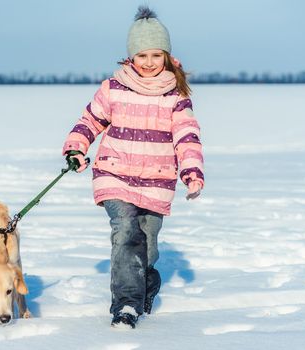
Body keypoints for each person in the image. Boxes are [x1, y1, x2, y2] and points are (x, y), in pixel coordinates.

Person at [62, 6, 204, 329]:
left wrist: (192, 172)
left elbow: (187, 136)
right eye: (143, 55)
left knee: (148, 246)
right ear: (131, 56)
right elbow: (90, 121)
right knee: (126, 233)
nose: (150, 62)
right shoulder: (113, 88)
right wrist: (76, 147)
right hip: (114, 174)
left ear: (167, 56)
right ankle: (126, 304)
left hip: (156, 182)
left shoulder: (175, 95)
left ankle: (146, 283)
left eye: (157, 54)